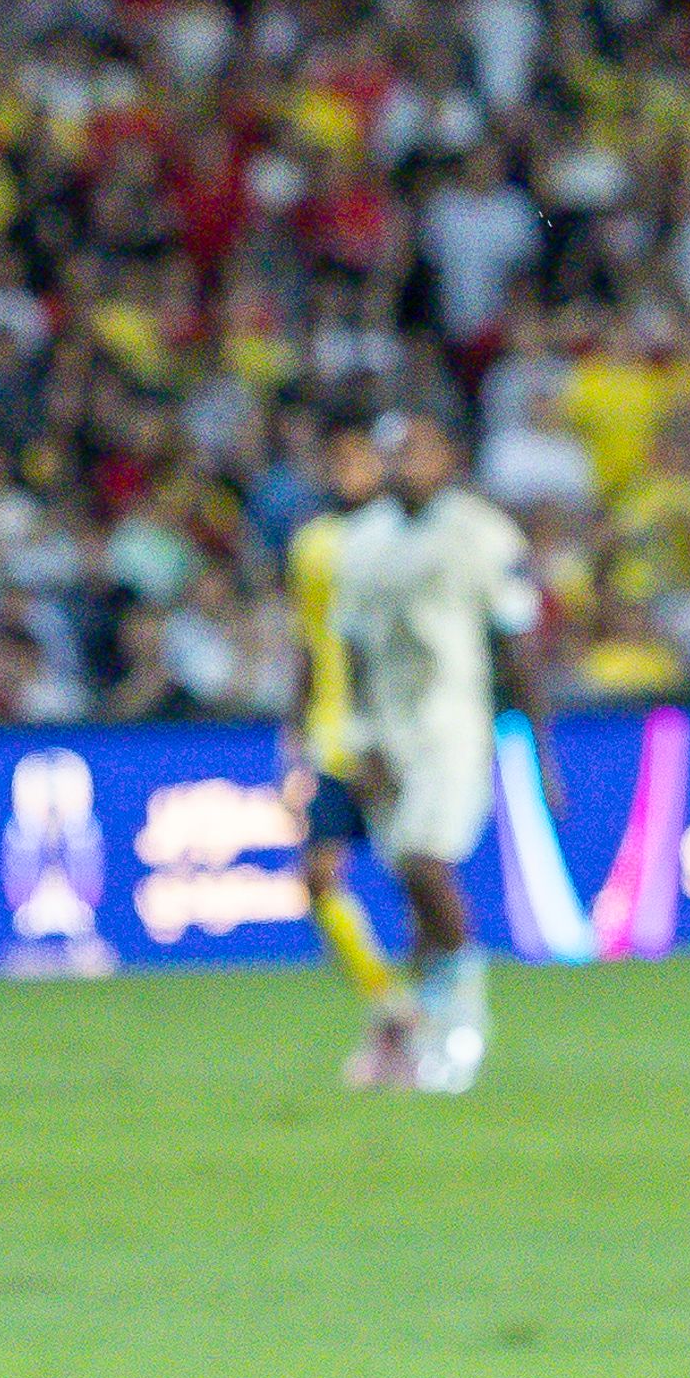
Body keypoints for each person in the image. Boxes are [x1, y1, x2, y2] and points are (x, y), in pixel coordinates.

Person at [330, 410, 551, 1095]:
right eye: (391, 455)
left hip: (455, 726)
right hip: (389, 737)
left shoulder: (479, 533)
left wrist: (540, 750)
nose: (403, 467)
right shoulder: (360, 542)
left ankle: (467, 1022)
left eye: (416, 453)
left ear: (445, 458)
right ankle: (425, 1030)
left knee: (428, 868)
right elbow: (353, 652)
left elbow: (513, 643)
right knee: (409, 884)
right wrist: (360, 739)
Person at [279, 413, 411, 1085]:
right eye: (341, 459)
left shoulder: (410, 539)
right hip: (337, 734)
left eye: (363, 458)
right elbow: (310, 638)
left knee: (417, 877)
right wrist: (292, 725)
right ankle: (393, 1005)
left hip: (405, 731)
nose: (351, 471)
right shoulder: (314, 544)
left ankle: (421, 1016)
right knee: (319, 877)